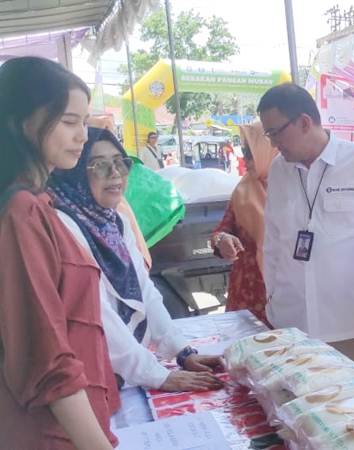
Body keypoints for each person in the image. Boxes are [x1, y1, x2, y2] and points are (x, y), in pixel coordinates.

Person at [48, 127, 224, 393]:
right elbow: (97, 313)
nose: (115, 173)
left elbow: (144, 289)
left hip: (123, 368)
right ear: (73, 173)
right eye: (98, 165)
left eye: (120, 162)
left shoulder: (113, 221)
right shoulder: (63, 226)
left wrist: (182, 351)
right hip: (87, 375)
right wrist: (156, 375)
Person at [0, 56, 117, 449]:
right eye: (69, 122)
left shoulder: (40, 203)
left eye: (84, 122)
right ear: (23, 122)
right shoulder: (22, 212)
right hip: (53, 433)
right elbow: (46, 357)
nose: (82, 136)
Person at [259, 83, 354, 373]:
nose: (273, 144)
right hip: (292, 324)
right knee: (295, 410)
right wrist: (273, 297)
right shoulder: (279, 171)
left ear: (305, 122)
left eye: (275, 132)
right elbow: (272, 240)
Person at [212, 122, 275, 326]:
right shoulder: (243, 190)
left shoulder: (294, 187)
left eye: (250, 154)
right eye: (243, 152)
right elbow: (222, 231)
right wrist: (222, 240)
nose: (245, 161)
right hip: (247, 290)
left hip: (281, 290)